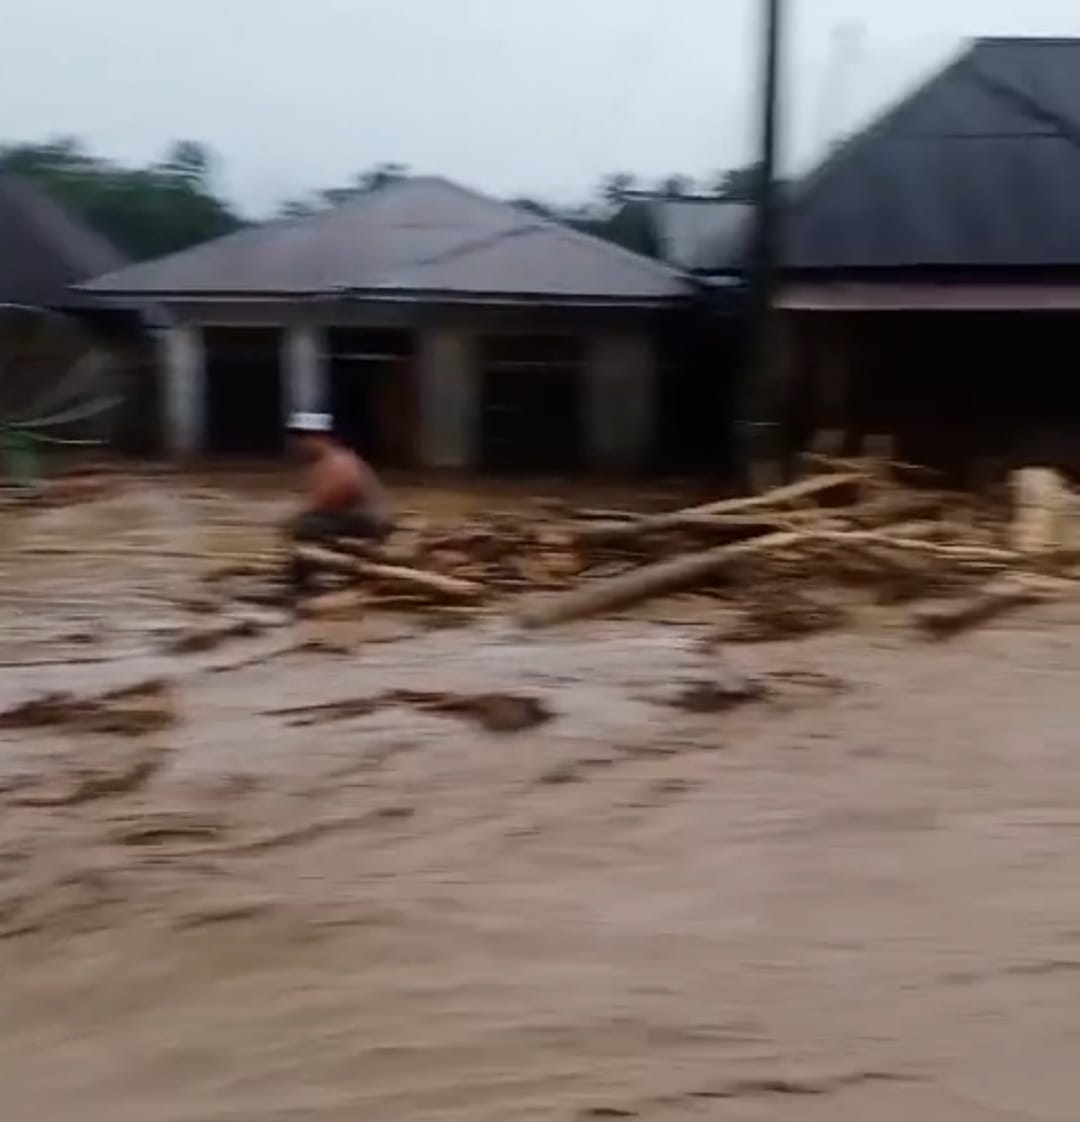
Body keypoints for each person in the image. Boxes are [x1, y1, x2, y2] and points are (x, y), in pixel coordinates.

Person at [285, 411, 392, 593]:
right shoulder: (321, 463)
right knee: (306, 522)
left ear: (321, 437)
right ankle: (307, 573)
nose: (299, 444)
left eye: (303, 437)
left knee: (307, 525)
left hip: (369, 522)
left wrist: (292, 516)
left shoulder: (338, 461)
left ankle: (305, 579)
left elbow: (328, 500)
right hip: (350, 519)